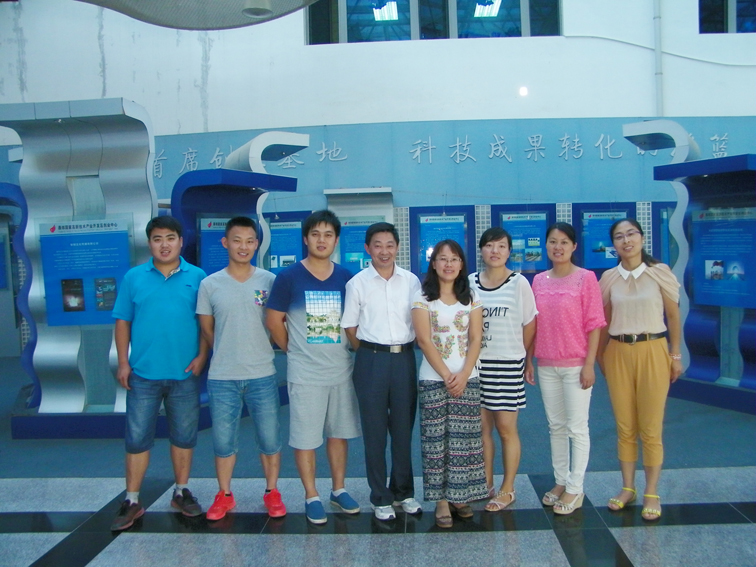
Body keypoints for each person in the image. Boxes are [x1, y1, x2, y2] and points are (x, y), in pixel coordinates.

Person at [110, 216, 208, 531]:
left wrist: (202, 356)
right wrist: (123, 362)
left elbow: (205, 323)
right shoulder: (133, 277)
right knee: (137, 437)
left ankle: (181, 492)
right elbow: (122, 321)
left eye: (170, 238)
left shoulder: (198, 277)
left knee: (184, 436)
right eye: (157, 239)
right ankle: (132, 499)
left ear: (181, 241)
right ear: (149, 243)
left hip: (184, 374)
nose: (164, 245)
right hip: (143, 374)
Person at [266, 209, 362, 525]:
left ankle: (338, 489)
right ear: (306, 239)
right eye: (316, 234)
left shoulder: (346, 278)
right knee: (306, 437)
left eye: (328, 235)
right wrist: (292, 349)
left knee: (339, 434)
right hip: (305, 374)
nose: (322, 240)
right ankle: (311, 495)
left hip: (341, 370)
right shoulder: (288, 277)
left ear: (336, 240)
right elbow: (274, 321)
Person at [196, 216, 286, 521]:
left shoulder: (269, 281)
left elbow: (278, 323)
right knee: (223, 441)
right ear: (225, 243)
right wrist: (227, 349)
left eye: (249, 241)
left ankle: (272, 491)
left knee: (270, 438)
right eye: (237, 240)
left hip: (262, 373)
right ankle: (224, 494)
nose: (243, 247)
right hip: (222, 377)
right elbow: (207, 329)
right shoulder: (210, 284)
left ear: (257, 244)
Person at [597, 218, 682, 522]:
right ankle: (627, 487)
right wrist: (600, 358)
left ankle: (652, 491)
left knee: (651, 425)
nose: (626, 240)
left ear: (642, 237)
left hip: (653, 349)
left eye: (631, 234)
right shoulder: (609, 278)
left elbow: (673, 316)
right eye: (619, 237)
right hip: (618, 352)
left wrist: (675, 354)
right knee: (625, 425)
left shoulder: (659, 273)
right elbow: (603, 322)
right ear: (614, 245)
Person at [342, 222, 422, 521]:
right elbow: (350, 327)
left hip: (404, 360)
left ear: (397, 247)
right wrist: (370, 351)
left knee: (402, 430)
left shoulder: (411, 281)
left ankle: (403, 491)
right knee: (374, 433)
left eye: (390, 245)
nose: (384, 251)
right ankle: (380, 496)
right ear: (368, 248)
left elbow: (419, 321)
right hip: (370, 361)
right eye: (377, 245)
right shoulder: (357, 283)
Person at [527, 222, 606, 515]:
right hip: (546, 364)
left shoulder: (586, 278)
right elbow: (533, 324)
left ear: (574, 246)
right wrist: (529, 359)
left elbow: (595, 323)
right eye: (552, 241)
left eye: (563, 242)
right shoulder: (539, 280)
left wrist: (589, 365)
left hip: (576, 365)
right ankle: (560, 481)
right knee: (556, 427)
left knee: (577, 428)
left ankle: (575, 488)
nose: (557, 247)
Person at [412, 239, 487, 528]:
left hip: (468, 379)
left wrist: (465, 373)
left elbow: (476, 338)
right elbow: (423, 340)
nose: (448, 264)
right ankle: (441, 500)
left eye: (454, 259)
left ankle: (459, 496)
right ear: (434, 264)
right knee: (436, 441)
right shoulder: (422, 298)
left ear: (461, 264)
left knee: (463, 441)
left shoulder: (472, 297)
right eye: (442, 259)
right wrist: (447, 375)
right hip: (433, 379)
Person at [469, 227, 536, 512]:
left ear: (509, 251)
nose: (494, 251)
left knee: (506, 429)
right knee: (481, 430)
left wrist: (522, 357)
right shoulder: (470, 281)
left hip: (507, 364)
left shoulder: (519, 283)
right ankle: (486, 484)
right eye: (489, 245)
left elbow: (530, 323)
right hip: (475, 365)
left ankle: (508, 489)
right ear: (481, 250)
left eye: (501, 246)